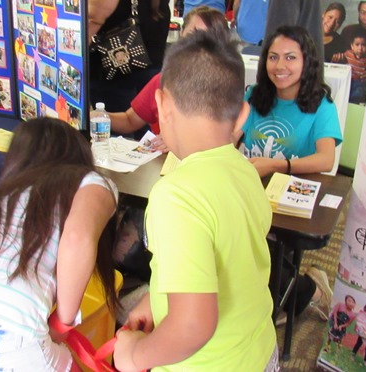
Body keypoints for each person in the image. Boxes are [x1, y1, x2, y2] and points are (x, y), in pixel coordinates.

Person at [113, 30, 279, 371]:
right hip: (259, 352)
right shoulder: (246, 172)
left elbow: (193, 326)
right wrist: (155, 299)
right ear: (243, 114)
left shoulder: (175, 196)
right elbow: (229, 263)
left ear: (162, 105)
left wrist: (134, 356)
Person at [0, 118, 120, 370]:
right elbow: (77, 238)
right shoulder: (91, 182)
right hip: (11, 337)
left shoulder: (3, 196)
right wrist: (62, 323)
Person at [232, 25, 342, 322]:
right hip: (250, 191)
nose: (280, 66)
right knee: (231, 240)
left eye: (291, 58)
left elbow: (326, 159)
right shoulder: (255, 95)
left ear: (307, 62)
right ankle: (293, 292)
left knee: (250, 251)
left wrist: (279, 165)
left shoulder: (321, 104)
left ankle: (310, 291)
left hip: (290, 202)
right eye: (273, 57)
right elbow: (231, 136)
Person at [105, 5, 229, 152]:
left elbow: (227, 141)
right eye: (192, 35)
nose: (198, 45)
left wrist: (180, 139)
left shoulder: (225, 90)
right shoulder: (163, 81)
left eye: (208, 40)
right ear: (181, 34)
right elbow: (130, 120)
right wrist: (97, 116)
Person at [89, 0, 170, 137]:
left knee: (115, 133)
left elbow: (93, 19)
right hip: (150, 61)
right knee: (144, 130)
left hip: (114, 72)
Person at [333, 28, 366, 105]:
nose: (360, 48)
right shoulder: (348, 54)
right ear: (352, 46)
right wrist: (337, 58)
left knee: (360, 90)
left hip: (360, 83)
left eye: (363, 45)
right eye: (357, 45)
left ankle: (353, 100)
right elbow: (340, 59)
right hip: (349, 81)